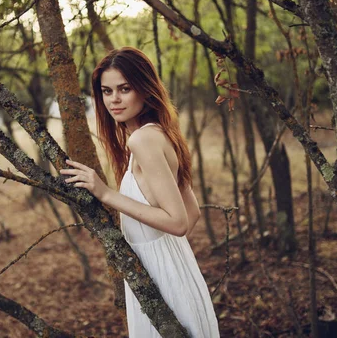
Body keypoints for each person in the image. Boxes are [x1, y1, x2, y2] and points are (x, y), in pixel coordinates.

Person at [60, 47, 220, 337]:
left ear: (145, 90)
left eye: (125, 88)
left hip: (164, 281)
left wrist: (106, 194)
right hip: (176, 269)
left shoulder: (143, 140)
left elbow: (180, 222)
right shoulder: (159, 132)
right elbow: (192, 212)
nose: (114, 100)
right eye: (107, 91)